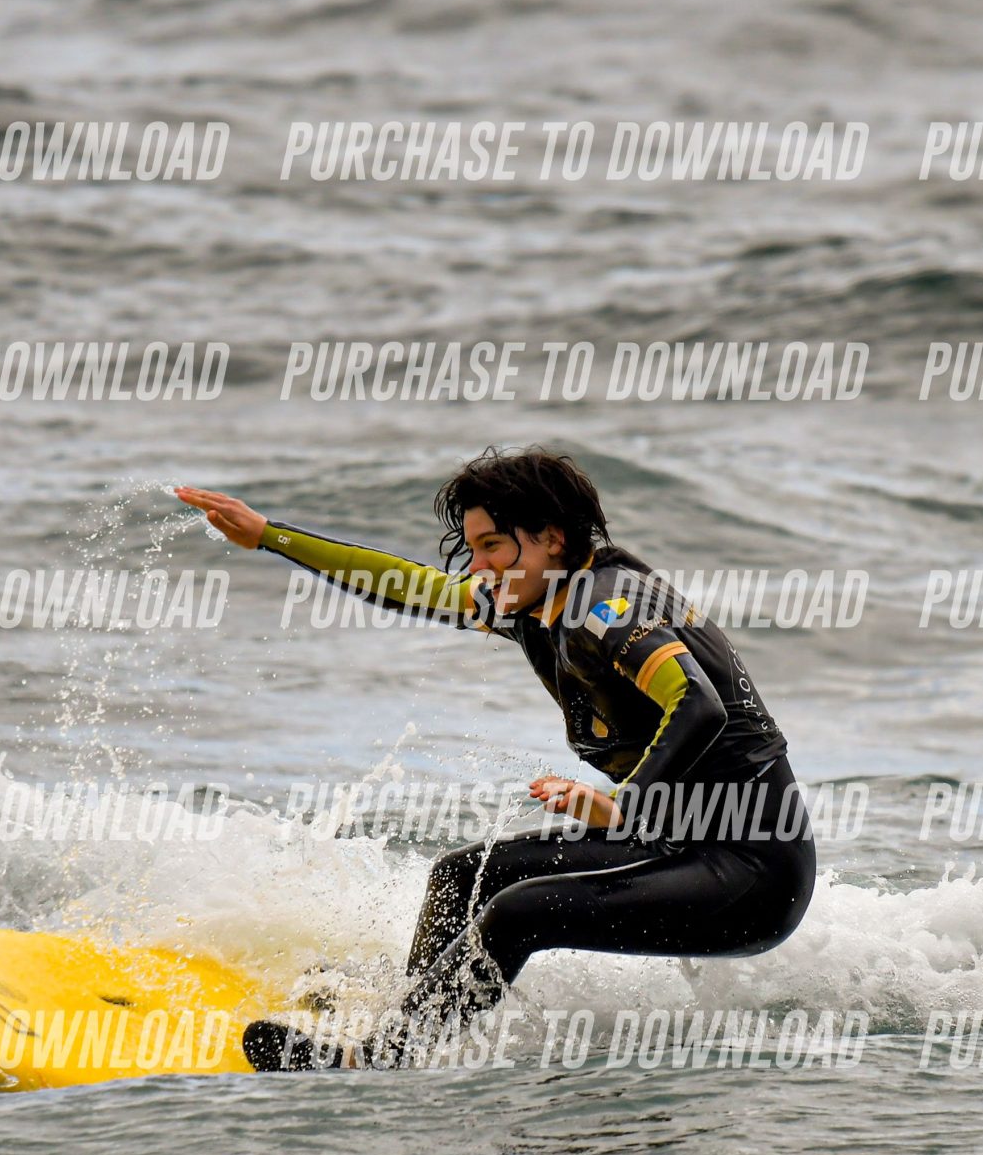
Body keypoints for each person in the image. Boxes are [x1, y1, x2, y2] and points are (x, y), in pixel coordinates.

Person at [176, 447, 814, 1069]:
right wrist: (269, 536)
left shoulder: (605, 605)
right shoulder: (538, 599)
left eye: (492, 547)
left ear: (552, 539)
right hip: (674, 842)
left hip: (751, 873)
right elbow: (410, 586)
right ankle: (404, 1015)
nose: (478, 567)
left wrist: (621, 805)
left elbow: (699, 706)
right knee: (462, 876)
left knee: (519, 913)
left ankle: (381, 1057)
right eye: (473, 548)